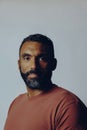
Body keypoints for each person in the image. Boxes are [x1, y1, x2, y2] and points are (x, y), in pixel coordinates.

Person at [4, 34, 87, 130]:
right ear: (19, 64)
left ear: (53, 64)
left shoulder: (67, 105)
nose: (34, 66)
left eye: (42, 58)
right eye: (27, 58)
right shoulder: (16, 103)